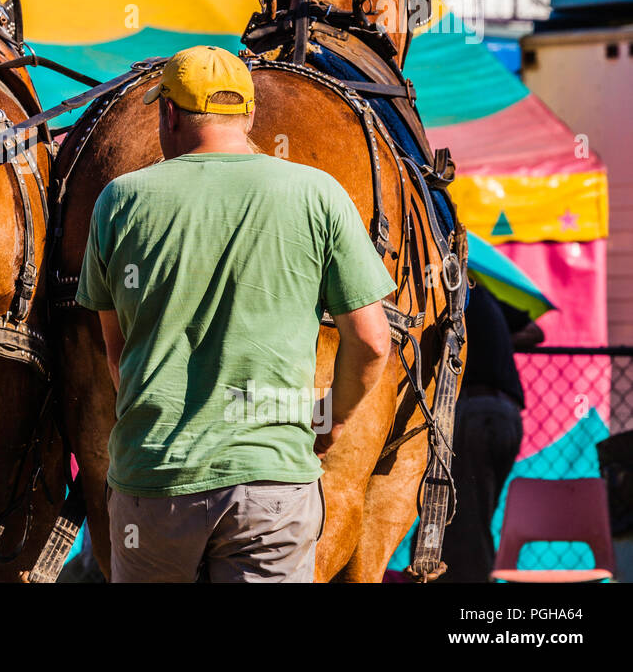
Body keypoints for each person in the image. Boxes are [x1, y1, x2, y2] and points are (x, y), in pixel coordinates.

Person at [77, 45, 396, 583]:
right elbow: (371, 342)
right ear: (248, 115)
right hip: (272, 486)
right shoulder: (318, 194)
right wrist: (332, 418)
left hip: (153, 482)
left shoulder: (119, 200)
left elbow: (116, 352)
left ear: (169, 114)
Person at [435, 280, 531, 582]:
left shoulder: (448, 292)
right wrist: (494, 341)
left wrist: (470, 344)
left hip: (474, 410)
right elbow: (535, 332)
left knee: (465, 521)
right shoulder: (482, 294)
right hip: (507, 414)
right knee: (474, 514)